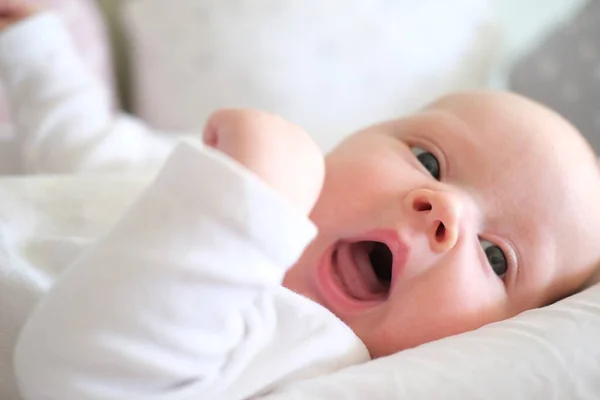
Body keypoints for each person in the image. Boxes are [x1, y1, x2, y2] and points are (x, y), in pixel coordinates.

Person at [1, 3, 600, 400]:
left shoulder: (308, 350)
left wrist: (243, 208)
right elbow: (92, 154)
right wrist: (34, 44)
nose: (444, 210)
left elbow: (79, 380)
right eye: (428, 161)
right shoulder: (236, 185)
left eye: (496, 258)